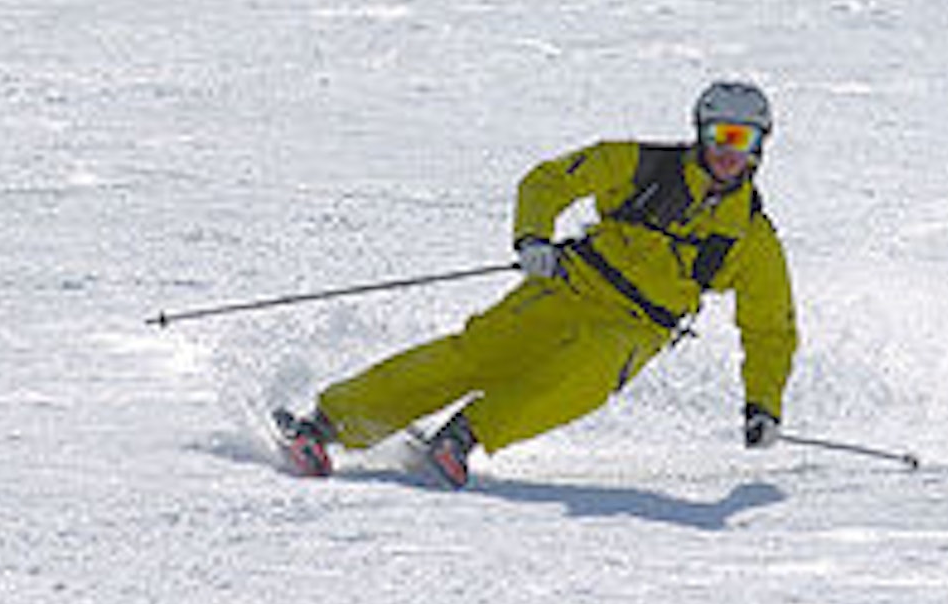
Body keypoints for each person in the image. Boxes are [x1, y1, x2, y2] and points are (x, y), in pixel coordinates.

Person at [274, 80, 798, 488]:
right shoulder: (641, 165)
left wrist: (763, 405)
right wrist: (533, 239)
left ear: (760, 147)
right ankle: (327, 426)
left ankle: (464, 437)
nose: (730, 151)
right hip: (569, 285)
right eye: (720, 135)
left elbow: (770, 327)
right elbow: (549, 181)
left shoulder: (751, 235)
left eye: (743, 139)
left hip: (638, 326)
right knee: (479, 353)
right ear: (700, 133)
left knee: (587, 375)